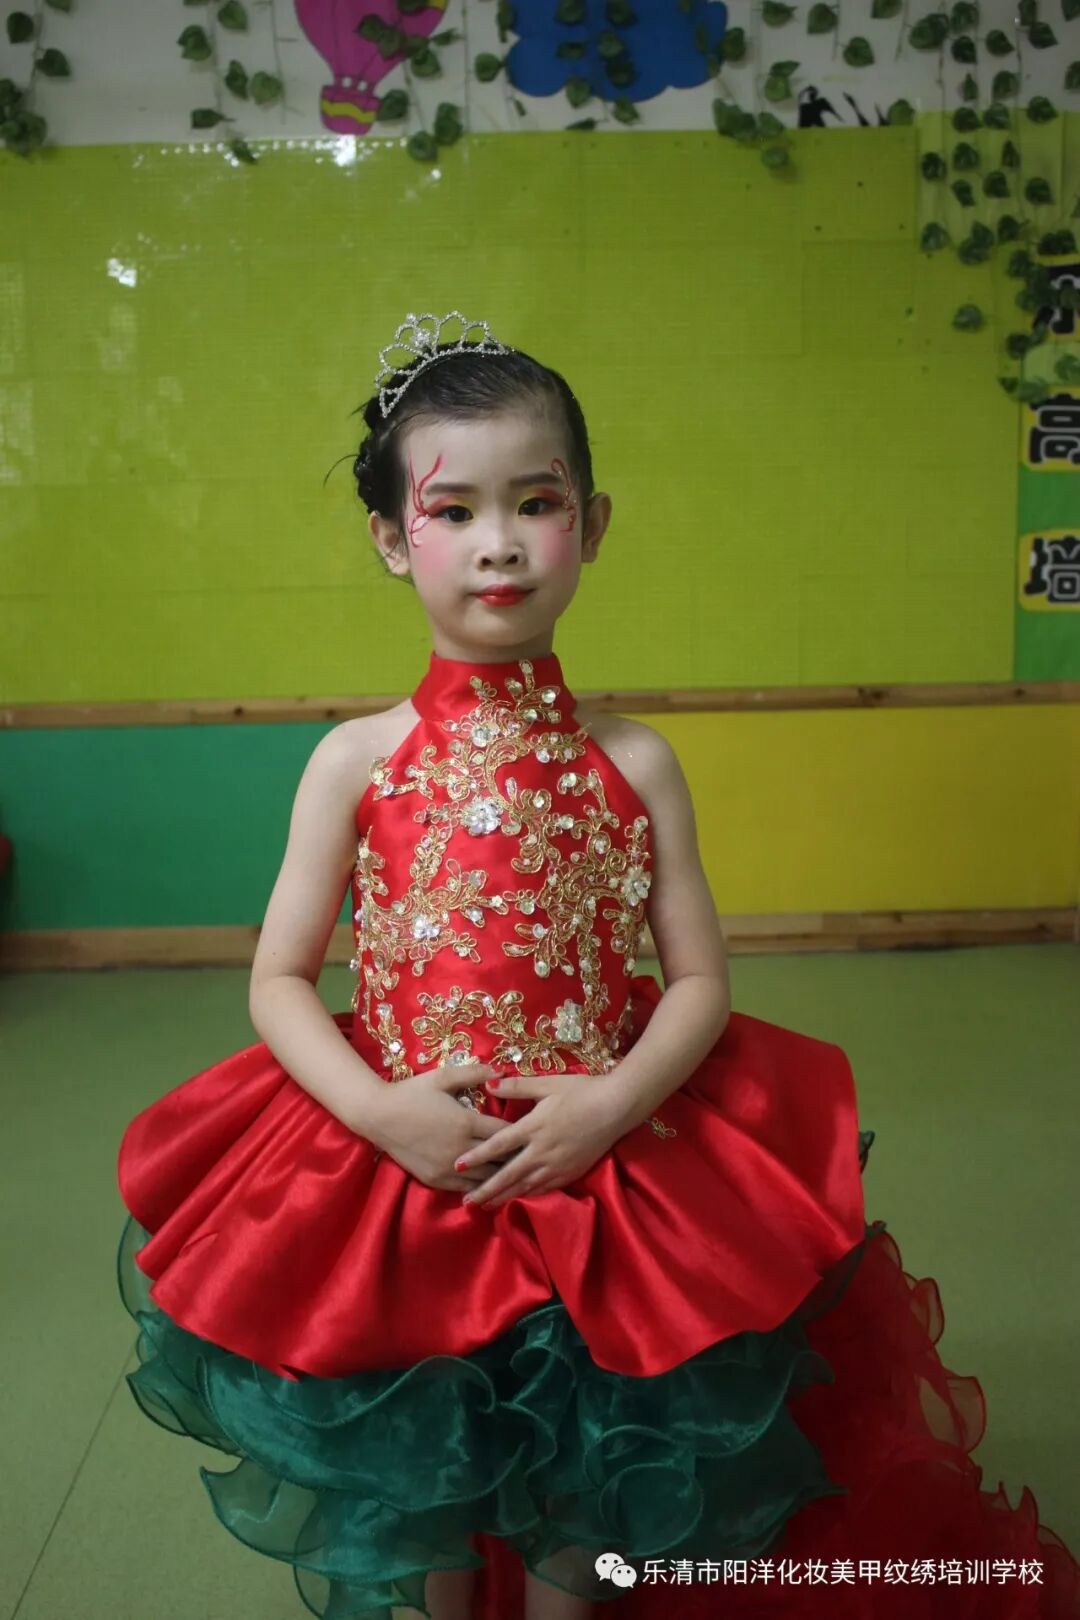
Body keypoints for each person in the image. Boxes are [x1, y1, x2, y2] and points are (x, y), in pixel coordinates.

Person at [115, 311, 1080, 1620]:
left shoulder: (636, 760)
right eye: (454, 510)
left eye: (538, 502)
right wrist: (382, 1114)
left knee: (595, 1466)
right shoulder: (353, 760)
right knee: (429, 1461)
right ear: (393, 539)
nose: (500, 541)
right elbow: (280, 979)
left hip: (604, 1160)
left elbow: (700, 984)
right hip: (409, 1160)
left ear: (594, 521)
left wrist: (613, 1104)